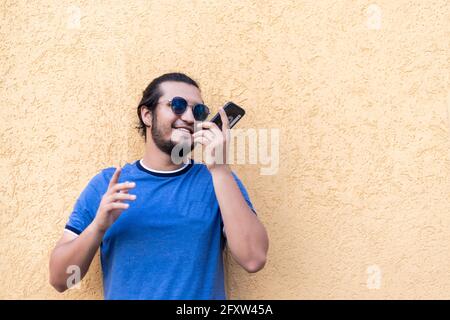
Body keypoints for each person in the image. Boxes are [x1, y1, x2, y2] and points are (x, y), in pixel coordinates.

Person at [49, 72, 269, 299]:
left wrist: (220, 170)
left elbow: (254, 259)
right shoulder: (107, 185)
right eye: (177, 105)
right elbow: (61, 280)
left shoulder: (218, 181)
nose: (189, 118)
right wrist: (97, 228)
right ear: (147, 114)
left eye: (198, 111)